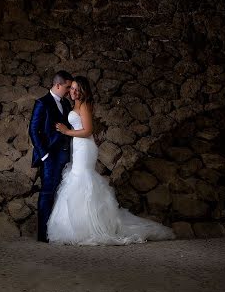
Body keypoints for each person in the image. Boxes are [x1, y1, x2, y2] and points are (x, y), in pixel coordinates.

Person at [47, 76, 175, 245]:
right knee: (77, 178)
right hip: (78, 146)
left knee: (82, 178)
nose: (73, 91)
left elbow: (88, 131)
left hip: (85, 146)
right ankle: (75, 226)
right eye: (72, 88)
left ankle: (89, 227)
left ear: (84, 91)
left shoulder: (84, 105)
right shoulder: (75, 104)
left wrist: (65, 131)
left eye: (77, 89)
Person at [28, 70, 74, 242]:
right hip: (50, 156)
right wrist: (44, 155)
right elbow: (33, 130)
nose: (69, 91)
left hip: (66, 155)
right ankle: (43, 235)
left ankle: (59, 233)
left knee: (63, 193)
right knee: (47, 192)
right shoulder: (42, 103)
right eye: (67, 87)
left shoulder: (67, 104)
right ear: (57, 85)